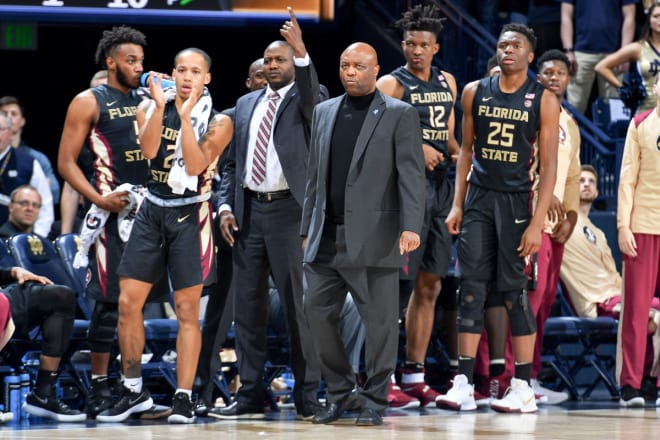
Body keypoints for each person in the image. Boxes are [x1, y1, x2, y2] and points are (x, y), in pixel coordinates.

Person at [96, 47, 232, 424]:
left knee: (187, 310)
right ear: (172, 73)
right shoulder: (148, 107)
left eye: (195, 72)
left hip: (192, 214)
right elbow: (150, 150)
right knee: (127, 302)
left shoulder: (220, 122)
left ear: (207, 79)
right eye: (181, 70)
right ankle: (133, 389)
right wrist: (159, 108)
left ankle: (184, 397)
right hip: (153, 210)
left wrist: (187, 119)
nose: (187, 77)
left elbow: (193, 164)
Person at [437, 23, 559, 413]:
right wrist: (457, 204)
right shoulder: (474, 92)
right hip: (478, 201)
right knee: (469, 290)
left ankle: (522, 386)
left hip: (517, 203)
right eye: (503, 44)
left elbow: (550, 168)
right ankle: (463, 383)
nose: (508, 50)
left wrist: (538, 222)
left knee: (513, 294)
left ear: (529, 57)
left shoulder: (543, 100)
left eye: (516, 45)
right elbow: (466, 153)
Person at [302, 41, 425, 426]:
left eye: (358, 66)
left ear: (375, 71)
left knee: (380, 326)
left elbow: (411, 174)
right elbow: (314, 178)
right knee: (316, 314)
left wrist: (410, 226)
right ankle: (341, 394)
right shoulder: (324, 111)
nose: (350, 72)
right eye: (344, 65)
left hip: (376, 235)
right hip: (326, 237)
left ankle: (374, 399)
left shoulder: (398, 114)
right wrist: (307, 228)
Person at [211, 7, 325, 420]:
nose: (273, 65)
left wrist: (301, 51)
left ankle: (307, 396)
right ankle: (249, 397)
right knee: (248, 311)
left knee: (299, 310)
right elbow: (231, 166)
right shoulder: (243, 104)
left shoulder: (309, 98)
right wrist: (224, 206)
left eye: (280, 60)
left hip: (290, 215)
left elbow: (313, 100)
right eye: (269, 60)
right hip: (247, 215)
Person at [56, 25, 170, 419]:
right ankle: (101, 389)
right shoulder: (88, 100)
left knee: (137, 308)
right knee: (108, 305)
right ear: (111, 62)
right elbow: (66, 162)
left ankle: (132, 389)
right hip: (110, 214)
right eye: (130, 60)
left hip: (150, 212)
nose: (139, 66)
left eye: (141, 59)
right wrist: (99, 198)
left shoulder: (147, 97)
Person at [477, 49, 580, 405]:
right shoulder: (528, 108)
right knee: (518, 302)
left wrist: (571, 216)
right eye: (547, 71)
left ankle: (530, 378)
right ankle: (503, 379)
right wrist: (541, 191)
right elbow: (523, 160)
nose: (554, 77)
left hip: (555, 227)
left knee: (542, 305)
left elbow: (571, 176)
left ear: (569, 79)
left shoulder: (569, 121)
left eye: (560, 72)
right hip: (527, 218)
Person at [375, 3, 459, 408]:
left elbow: (450, 135)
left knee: (431, 283)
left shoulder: (449, 81)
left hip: (441, 190)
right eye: (410, 43)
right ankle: (381, 374)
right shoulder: (392, 84)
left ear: (436, 47)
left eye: (424, 44)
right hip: (406, 191)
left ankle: (414, 372)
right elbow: (370, 139)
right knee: (396, 286)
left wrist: (461, 157)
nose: (416, 50)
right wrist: (416, 147)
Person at [193, 57, 267, 416]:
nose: (264, 79)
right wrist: (224, 210)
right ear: (247, 83)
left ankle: (265, 388)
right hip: (231, 231)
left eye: (270, 74)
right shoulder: (227, 118)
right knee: (219, 317)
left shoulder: (286, 117)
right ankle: (201, 390)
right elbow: (214, 172)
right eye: (258, 76)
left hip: (277, 228)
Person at [0, 193, 85, 421]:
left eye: (35, 205)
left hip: (4, 295)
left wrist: (13, 272)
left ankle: (43, 394)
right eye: (24, 203)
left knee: (61, 295)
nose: (30, 209)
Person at [616, 73, 660, 407]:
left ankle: (654, 382)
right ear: (655, 87)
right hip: (643, 225)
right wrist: (622, 226)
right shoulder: (641, 123)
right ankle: (631, 383)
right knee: (635, 312)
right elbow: (627, 178)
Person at [560, 0, 637, 114]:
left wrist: (624, 54)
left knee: (613, 106)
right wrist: (568, 50)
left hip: (614, 53)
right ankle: (569, 132)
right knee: (574, 106)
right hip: (581, 52)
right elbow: (566, 16)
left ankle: (610, 133)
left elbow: (630, 17)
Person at [59, 69, 109, 236]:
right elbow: (71, 187)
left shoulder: (133, 128)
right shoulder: (80, 137)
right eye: (97, 92)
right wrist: (65, 235)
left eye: (106, 91)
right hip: (94, 213)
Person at [595, 2, 660, 114]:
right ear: (648, 20)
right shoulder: (638, 48)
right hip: (645, 114)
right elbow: (601, 67)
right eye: (656, 16)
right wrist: (623, 88)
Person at [0, 111, 53, 238]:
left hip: (13, 239)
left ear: (10, 132)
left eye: (0, 129)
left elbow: (45, 204)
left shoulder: (28, 163)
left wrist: (37, 238)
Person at [0, 96, 60, 205]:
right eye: (4, 113)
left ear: (22, 121)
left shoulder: (36, 158)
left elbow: (54, 195)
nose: (8, 117)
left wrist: (39, 189)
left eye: (13, 114)